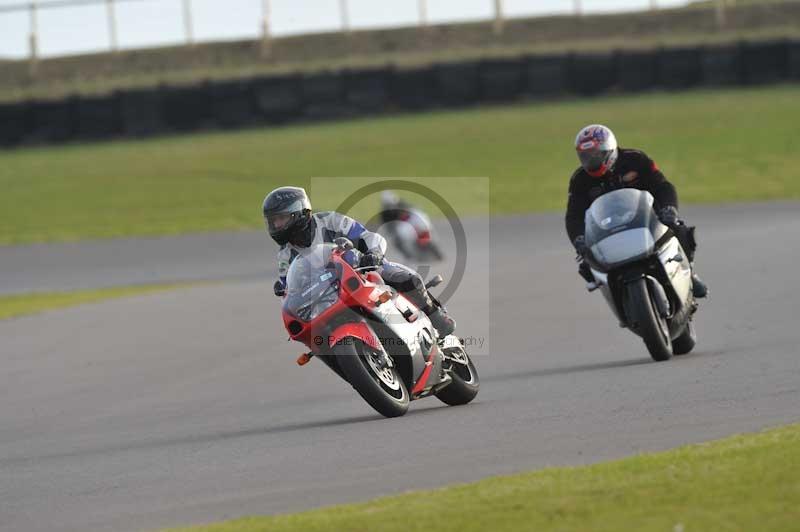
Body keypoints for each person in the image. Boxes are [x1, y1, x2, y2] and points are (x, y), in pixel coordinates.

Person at [263, 186, 456, 336]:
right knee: (318, 336)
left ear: (299, 212)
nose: (276, 225)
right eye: (273, 221)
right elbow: (289, 289)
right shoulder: (285, 255)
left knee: (405, 279)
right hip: (329, 295)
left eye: (281, 219)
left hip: (362, 269)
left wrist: (373, 254)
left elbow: (366, 236)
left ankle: (436, 317)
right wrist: (284, 291)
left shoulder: (330, 220)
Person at [565, 124, 708, 298]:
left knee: (679, 230)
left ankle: (690, 274)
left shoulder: (635, 160)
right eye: (585, 156)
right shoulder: (580, 179)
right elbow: (574, 215)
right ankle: (618, 296)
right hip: (608, 230)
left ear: (609, 149)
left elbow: (662, 186)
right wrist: (578, 240)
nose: (590, 161)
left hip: (647, 219)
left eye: (595, 155)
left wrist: (669, 208)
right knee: (587, 263)